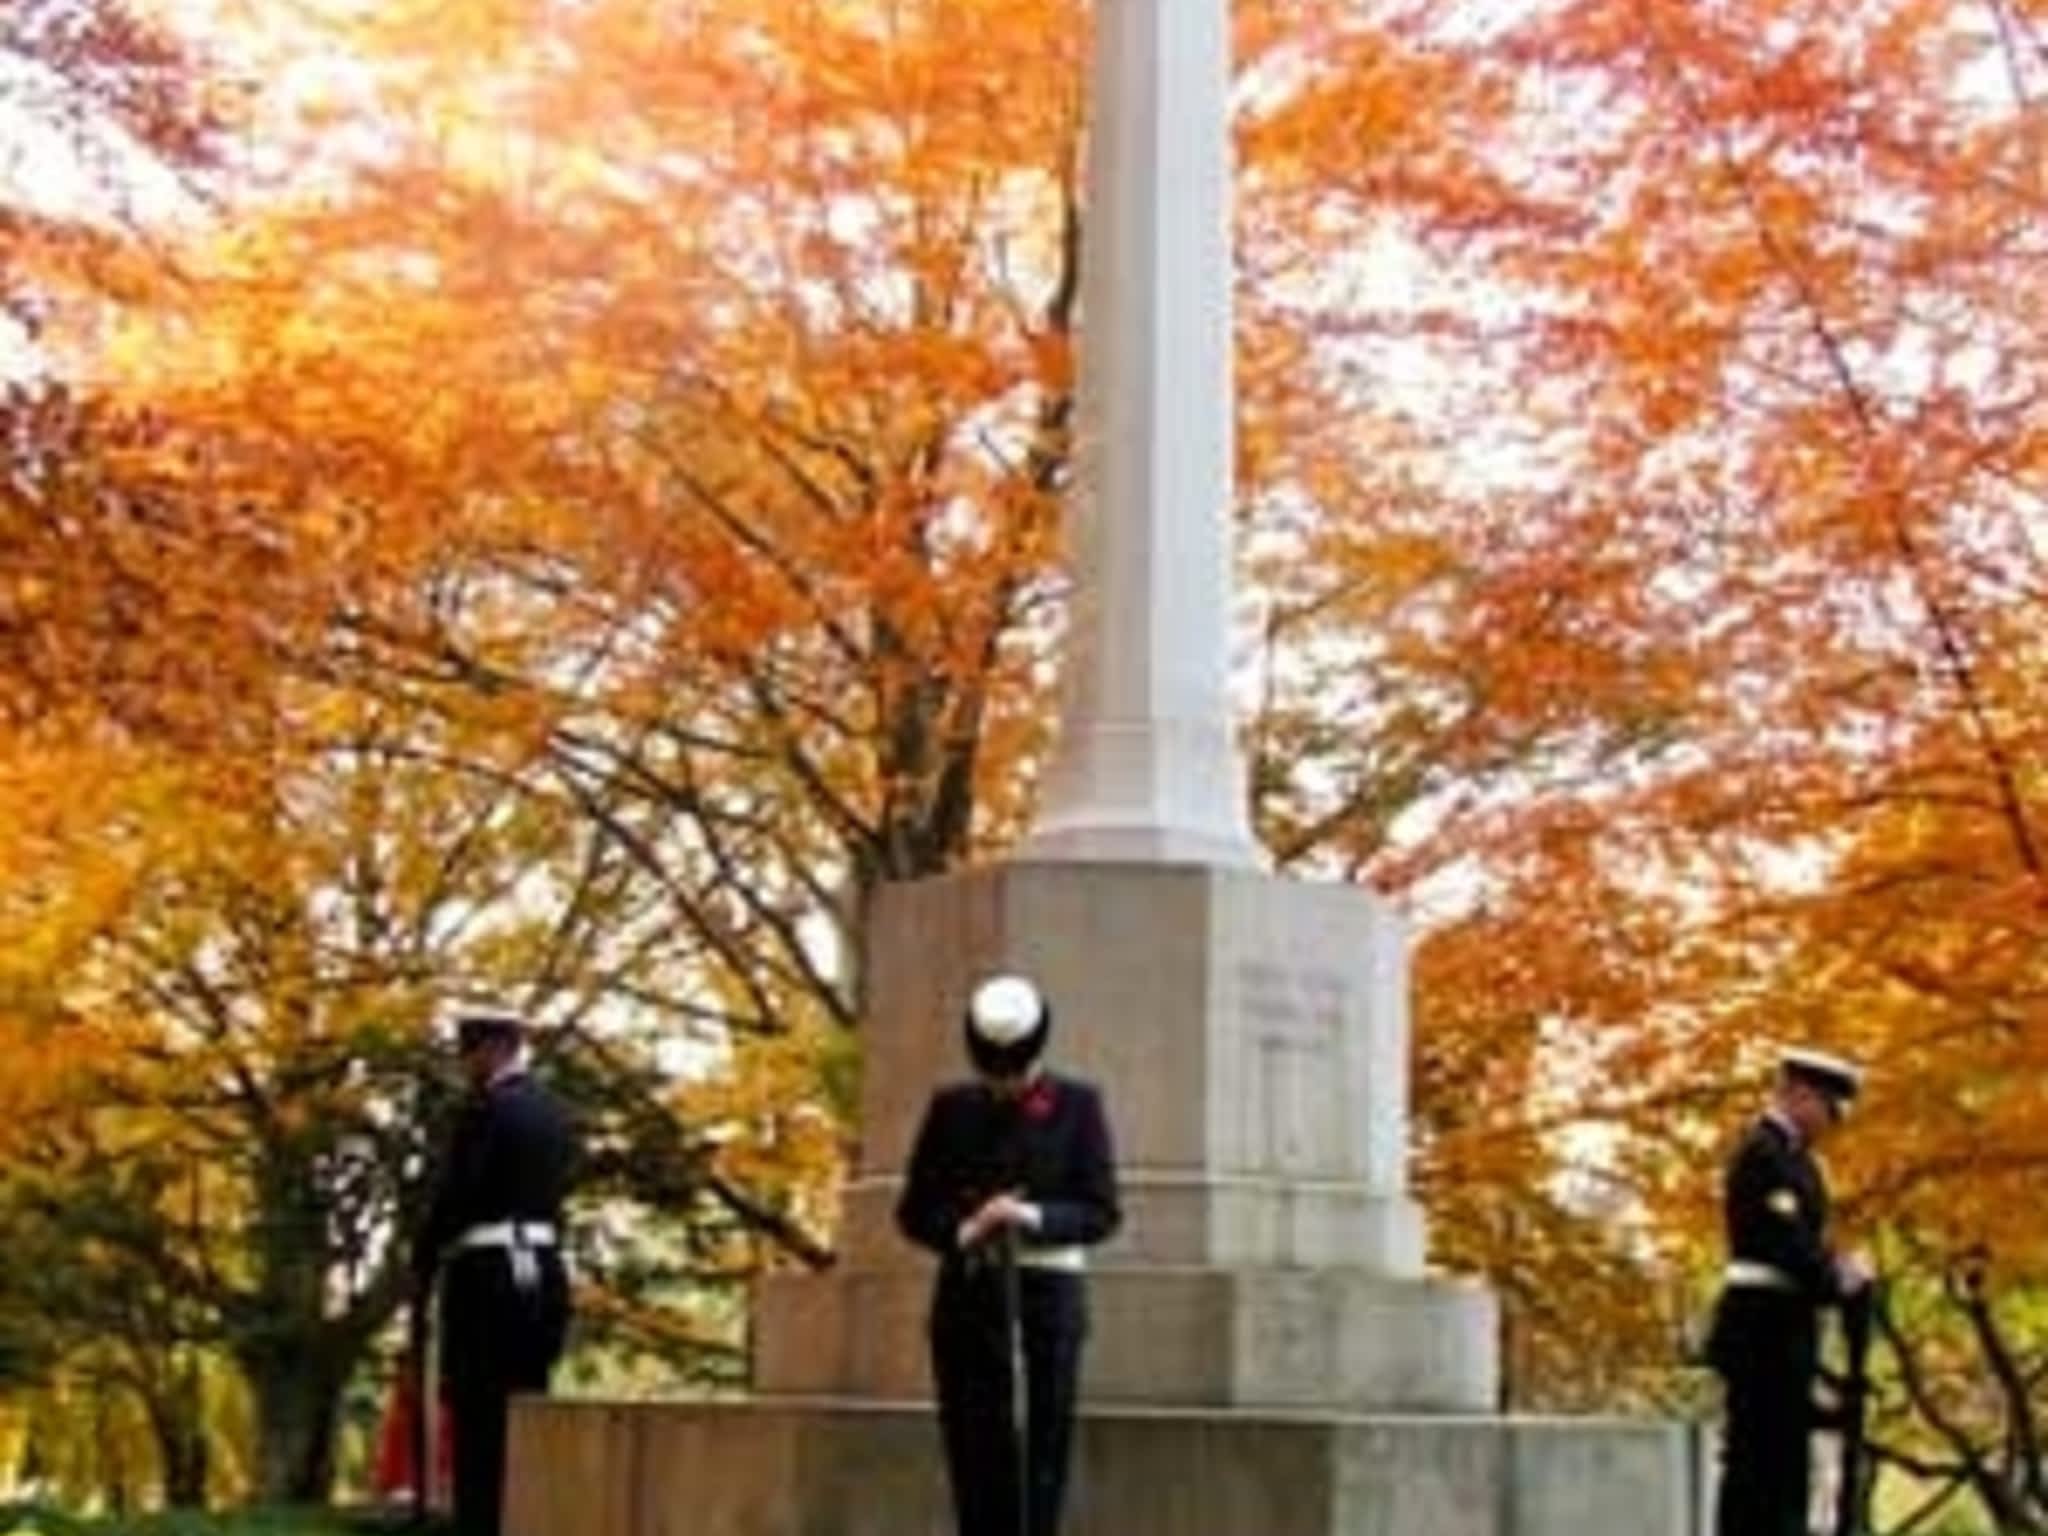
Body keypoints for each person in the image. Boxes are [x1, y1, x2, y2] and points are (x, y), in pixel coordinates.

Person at [896, 974, 1121, 1536]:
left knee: (1039, 1456)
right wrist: (966, 1228)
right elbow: (916, 1209)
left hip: (1046, 1301)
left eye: (1013, 1071)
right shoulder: (950, 1109)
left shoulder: (1077, 1106)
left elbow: (1100, 1211)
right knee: (973, 1454)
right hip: (969, 1298)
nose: (1003, 1084)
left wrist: (1030, 1217)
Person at [414, 1011, 578, 1536]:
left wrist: (423, 1255)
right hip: (544, 1273)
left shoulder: (487, 1110)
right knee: (527, 1403)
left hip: (487, 1274)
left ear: (490, 1050)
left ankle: (482, 1523)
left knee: (479, 1412)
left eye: (470, 1054)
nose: (467, 1066)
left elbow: (459, 1193)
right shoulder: (555, 1113)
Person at [1705, 1046, 1873, 1536]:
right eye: (1828, 1108)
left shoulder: (1799, 1162)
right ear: (1798, 1095)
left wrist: (1839, 1268)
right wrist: (1836, 1276)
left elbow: (1807, 1241)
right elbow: (1785, 1242)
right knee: (1757, 1465)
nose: (1832, 1122)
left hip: (1786, 1328)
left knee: (1782, 1464)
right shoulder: (1763, 1153)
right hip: (1760, 1327)